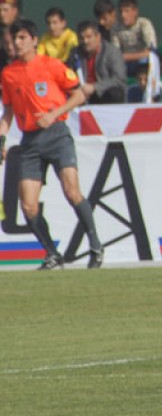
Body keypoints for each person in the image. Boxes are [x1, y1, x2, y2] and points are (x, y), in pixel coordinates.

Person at [0, 19, 103, 269]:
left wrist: (53, 114)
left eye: (22, 37)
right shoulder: (8, 74)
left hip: (56, 135)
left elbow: (79, 95)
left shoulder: (52, 65)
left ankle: (95, 246)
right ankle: (52, 254)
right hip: (30, 141)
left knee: (72, 191)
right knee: (28, 205)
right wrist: (1, 139)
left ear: (35, 40)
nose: (17, 43)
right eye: (14, 38)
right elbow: (8, 112)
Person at [73, 20, 126, 104]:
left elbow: (119, 79)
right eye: (82, 38)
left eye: (89, 37)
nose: (85, 41)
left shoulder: (112, 52)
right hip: (81, 93)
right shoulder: (75, 53)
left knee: (115, 93)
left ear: (98, 37)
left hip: (103, 93)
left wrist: (95, 87)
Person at [110, 0, 157, 78]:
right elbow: (116, 54)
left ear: (135, 11)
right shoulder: (115, 27)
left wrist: (127, 56)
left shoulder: (144, 23)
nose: (123, 15)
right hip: (125, 64)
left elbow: (151, 51)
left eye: (126, 11)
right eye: (121, 11)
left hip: (142, 62)